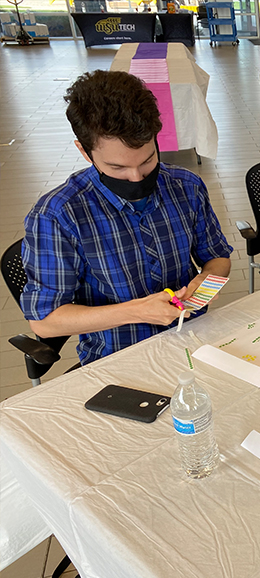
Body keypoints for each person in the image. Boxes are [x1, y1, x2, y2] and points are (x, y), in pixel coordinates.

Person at [21, 70, 232, 365]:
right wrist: (136, 311)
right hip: (118, 358)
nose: (136, 178)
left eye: (147, 161)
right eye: (117, 167)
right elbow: (45, 321)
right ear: (84, 151)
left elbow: (218, 258)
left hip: (195, 339)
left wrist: (205, 284)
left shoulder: (186, 186)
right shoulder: (58, 215)